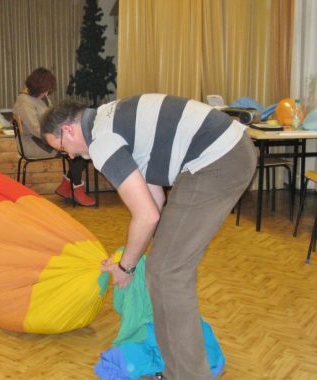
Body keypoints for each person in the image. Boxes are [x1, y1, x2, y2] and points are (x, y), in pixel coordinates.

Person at [40, 95, 257, 379]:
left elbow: (147, 216)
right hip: (225, 154)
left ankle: (189, 375)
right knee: (160, 270)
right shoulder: (109, 119)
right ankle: (176, 369)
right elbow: (154, 201)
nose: (69, 155)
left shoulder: (102, 141)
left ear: (68, 130)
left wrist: (126, 267)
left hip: (217, 160)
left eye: (62, 147)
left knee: (168, 274)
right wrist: (131, 260)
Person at [13, 67, 96, 206]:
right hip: (34, 143)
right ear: (36, 87)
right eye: (45, 90)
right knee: (78, 153)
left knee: (79, 149)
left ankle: (66, 187)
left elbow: (52, 118)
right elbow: (36, 130)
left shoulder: (41, 97)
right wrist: (59, 136)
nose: (47, 93)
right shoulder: (24, 102)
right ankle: (76, 190)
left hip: (45, 139)